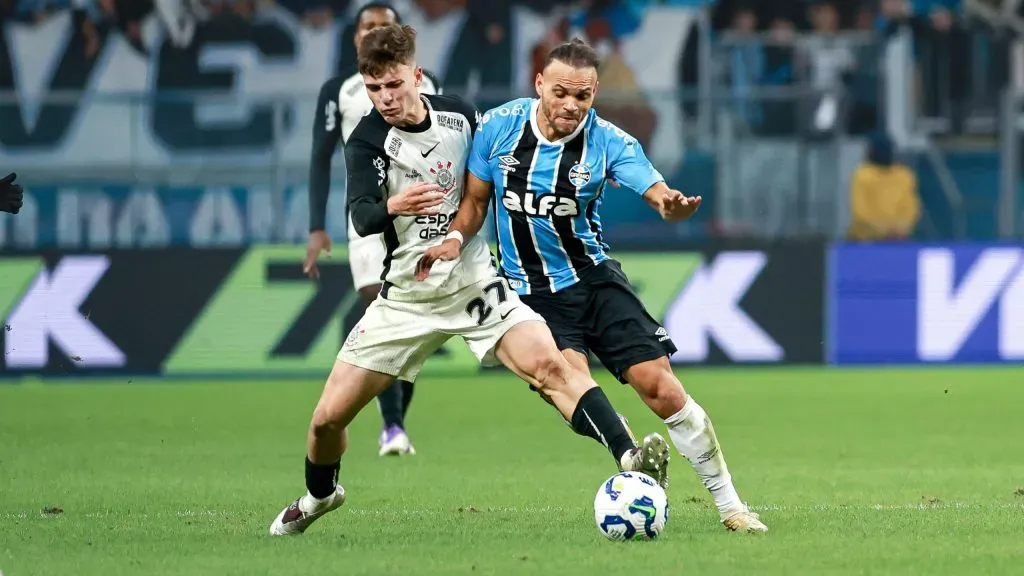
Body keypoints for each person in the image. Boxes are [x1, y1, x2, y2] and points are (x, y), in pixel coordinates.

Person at [270, 24, 671, 537]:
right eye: (373, 90)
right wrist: (393, 204)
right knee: (326, 420)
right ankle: (319, 496)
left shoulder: (460, 116)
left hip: (474, 279)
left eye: (393, 85)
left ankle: (630, 457)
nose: (385, 99)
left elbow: (493, 174)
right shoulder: (368, 139)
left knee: (549, 367)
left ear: (417, 77)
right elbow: (364, 217)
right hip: (408, 297)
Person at [417, 38, 768, 533]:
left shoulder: (611, 142)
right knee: (570, 382)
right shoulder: (496, 128)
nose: (570, 105)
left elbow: (655, 190)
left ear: (595, 93)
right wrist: (455, 237)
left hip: (595, 280)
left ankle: (731, 506)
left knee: (661, 387)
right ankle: (632, 458)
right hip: (531, 296)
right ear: (539, 83)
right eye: (560, 92)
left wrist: (669, 204)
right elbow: (475, 202)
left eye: (582, 97)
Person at [305, 2, 442, 457]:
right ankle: (393, 425)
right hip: (367, 218)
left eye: (383, 27)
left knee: (408, 322)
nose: (374, 33)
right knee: (375, 302)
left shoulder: (426, 85)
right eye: (367, 27)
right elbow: (320, 157)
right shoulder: (340, 91)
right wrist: (314, 227)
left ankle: (394, 422)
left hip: (421, 218)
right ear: (354, 36)